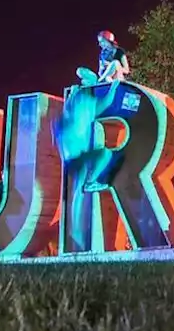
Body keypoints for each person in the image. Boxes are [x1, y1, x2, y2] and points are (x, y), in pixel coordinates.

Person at [53, 82, 123, 247]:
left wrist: (114, 87)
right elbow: (63, 119)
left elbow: (105, 103)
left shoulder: (85, 108)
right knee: (79, 188)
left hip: (82, 156)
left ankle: (90, 183)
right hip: (73, 160)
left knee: (105, 153)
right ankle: (75, 229)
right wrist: (72, 98)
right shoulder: (67, 115)